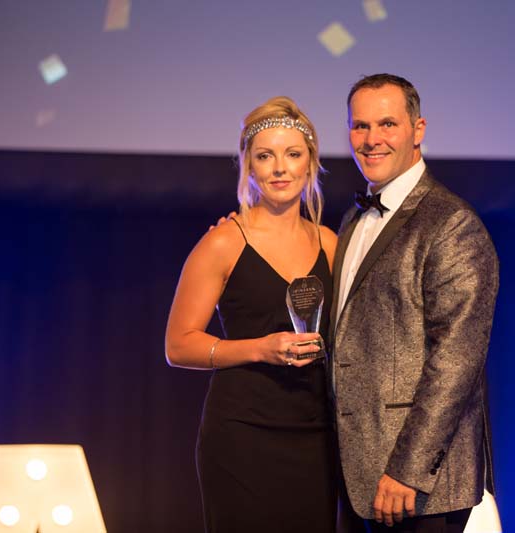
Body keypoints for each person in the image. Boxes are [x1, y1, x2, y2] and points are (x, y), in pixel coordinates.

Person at [330, 73, 499, 532]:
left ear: (418, 129)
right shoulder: (353, 218)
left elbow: (456, 361)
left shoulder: (451, 223)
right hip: (358, 475)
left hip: (419, 487)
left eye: (387, 124)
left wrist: (409, 470)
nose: (372, 139)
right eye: (360, 126)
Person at [164, 96, 338, 533]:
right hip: (242, 434)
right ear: (249, 165)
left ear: (310, 163)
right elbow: (178, 345)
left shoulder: (331, 243)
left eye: (292, 154)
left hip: (316, 434)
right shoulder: (223, 242)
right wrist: (262, 349)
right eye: (265, 156)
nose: (279, 168)